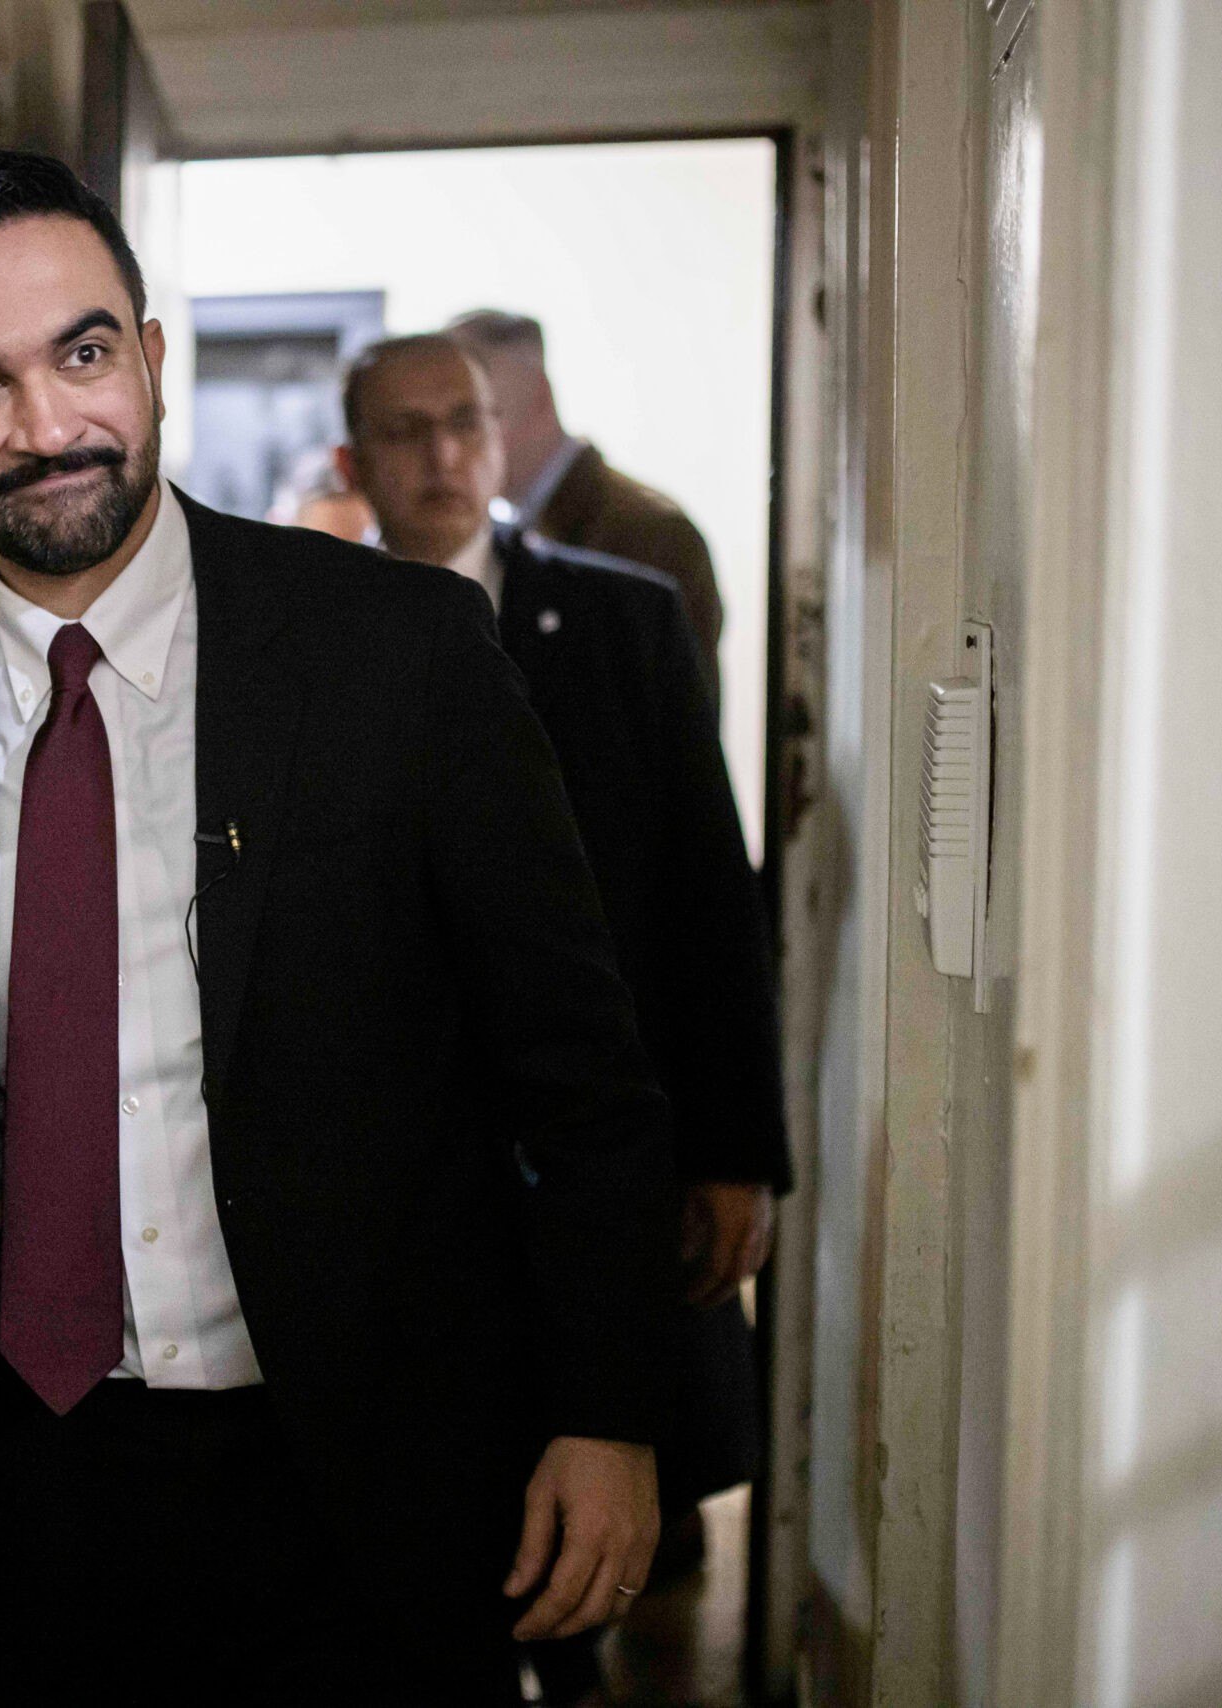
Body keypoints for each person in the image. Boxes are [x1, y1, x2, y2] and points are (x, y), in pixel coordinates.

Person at [0, 149, 680, 1706]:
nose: (46, 428)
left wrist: (606, 1408)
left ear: (148, 355)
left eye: (80, 355)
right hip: (43, 1484)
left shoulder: (396, 652)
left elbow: (582, 1073)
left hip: (378, 1468)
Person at [336, 333, 791, 1703]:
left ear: (503, 434)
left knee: (592, 1424)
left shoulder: (616, 618)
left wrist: (735, 1146)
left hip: (589, 1126)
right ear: (358, 459)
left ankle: (576, 1660)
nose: (442, 458)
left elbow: (711, 893)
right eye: (407, 432)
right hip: (395, 1143)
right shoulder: (310, 633)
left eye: (464, 424)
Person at [445, 308, 726, 703]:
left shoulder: (651, 534)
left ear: (539, 399)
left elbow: (680, 737)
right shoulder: (498, 533)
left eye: (474, 414)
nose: (450, 448)